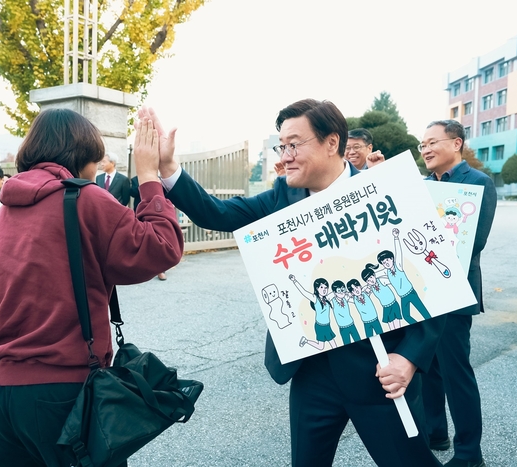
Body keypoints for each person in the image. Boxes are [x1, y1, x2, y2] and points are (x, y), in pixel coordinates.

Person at [144, 100, 445, 467]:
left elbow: (435, 282)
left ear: (331, 142)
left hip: (382, 371)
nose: (285, 155)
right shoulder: (282, 196)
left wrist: (410, 358)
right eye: (281, 145)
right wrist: (168, 168)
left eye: (294, 144)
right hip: (312, 373)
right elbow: (216, 213)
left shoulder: (386, 191)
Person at [0, 108, 183, 467]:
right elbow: (160, 248)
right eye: (94, 159)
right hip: (63, 394)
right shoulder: (86, 200)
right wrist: (149, 176)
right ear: (81, 157)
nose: (95, 168)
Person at [419, 120, 496, 467]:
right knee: (427, 368)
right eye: (422, 145)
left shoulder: (478, 184)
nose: (425, 150)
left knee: (455, 373)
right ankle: (436, 433)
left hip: (454, 291)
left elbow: (473, 243)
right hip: (422, 289)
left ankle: (469, 453)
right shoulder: (420, 186)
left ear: (457, 144)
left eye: (432, 142)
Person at [131, 175, 167, 280]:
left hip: (156, 211)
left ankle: (161, 270)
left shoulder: (159, 177)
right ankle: (142, 267)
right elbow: (132, 193)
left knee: (158, 239)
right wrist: (144, 186)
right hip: (139, 212)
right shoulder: (134, 179)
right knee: (141, 239)